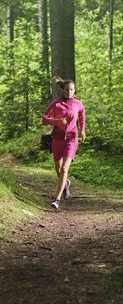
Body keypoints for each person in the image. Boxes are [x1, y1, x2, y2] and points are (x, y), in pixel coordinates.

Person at [42, 76, 86, 210]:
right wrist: (57, 121)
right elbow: (44, 119)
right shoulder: (56, 103)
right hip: (57, 139)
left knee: (65, 169)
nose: (69, 92)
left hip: (72, 139)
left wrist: (82, 130)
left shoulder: (78, 103)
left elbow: (82, 115)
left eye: (72, 90)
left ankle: (57, 199)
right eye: (67, 90)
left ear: (74, 90)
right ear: (63, 90)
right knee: (59, 169)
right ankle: (66, 183)